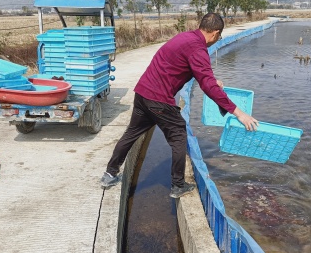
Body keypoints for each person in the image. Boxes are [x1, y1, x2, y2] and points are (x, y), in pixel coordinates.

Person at [100, 13, 258, 198]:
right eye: (219, 37)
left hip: (143, 93)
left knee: (132, 133)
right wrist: (239, 113)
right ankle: (177, 186)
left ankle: (110, 174)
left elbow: (189, 69)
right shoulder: (198, 49)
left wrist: (212, 80)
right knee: (179, 135)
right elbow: (206, 85)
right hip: (158, 99)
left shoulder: (186, 37)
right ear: (215, 33)